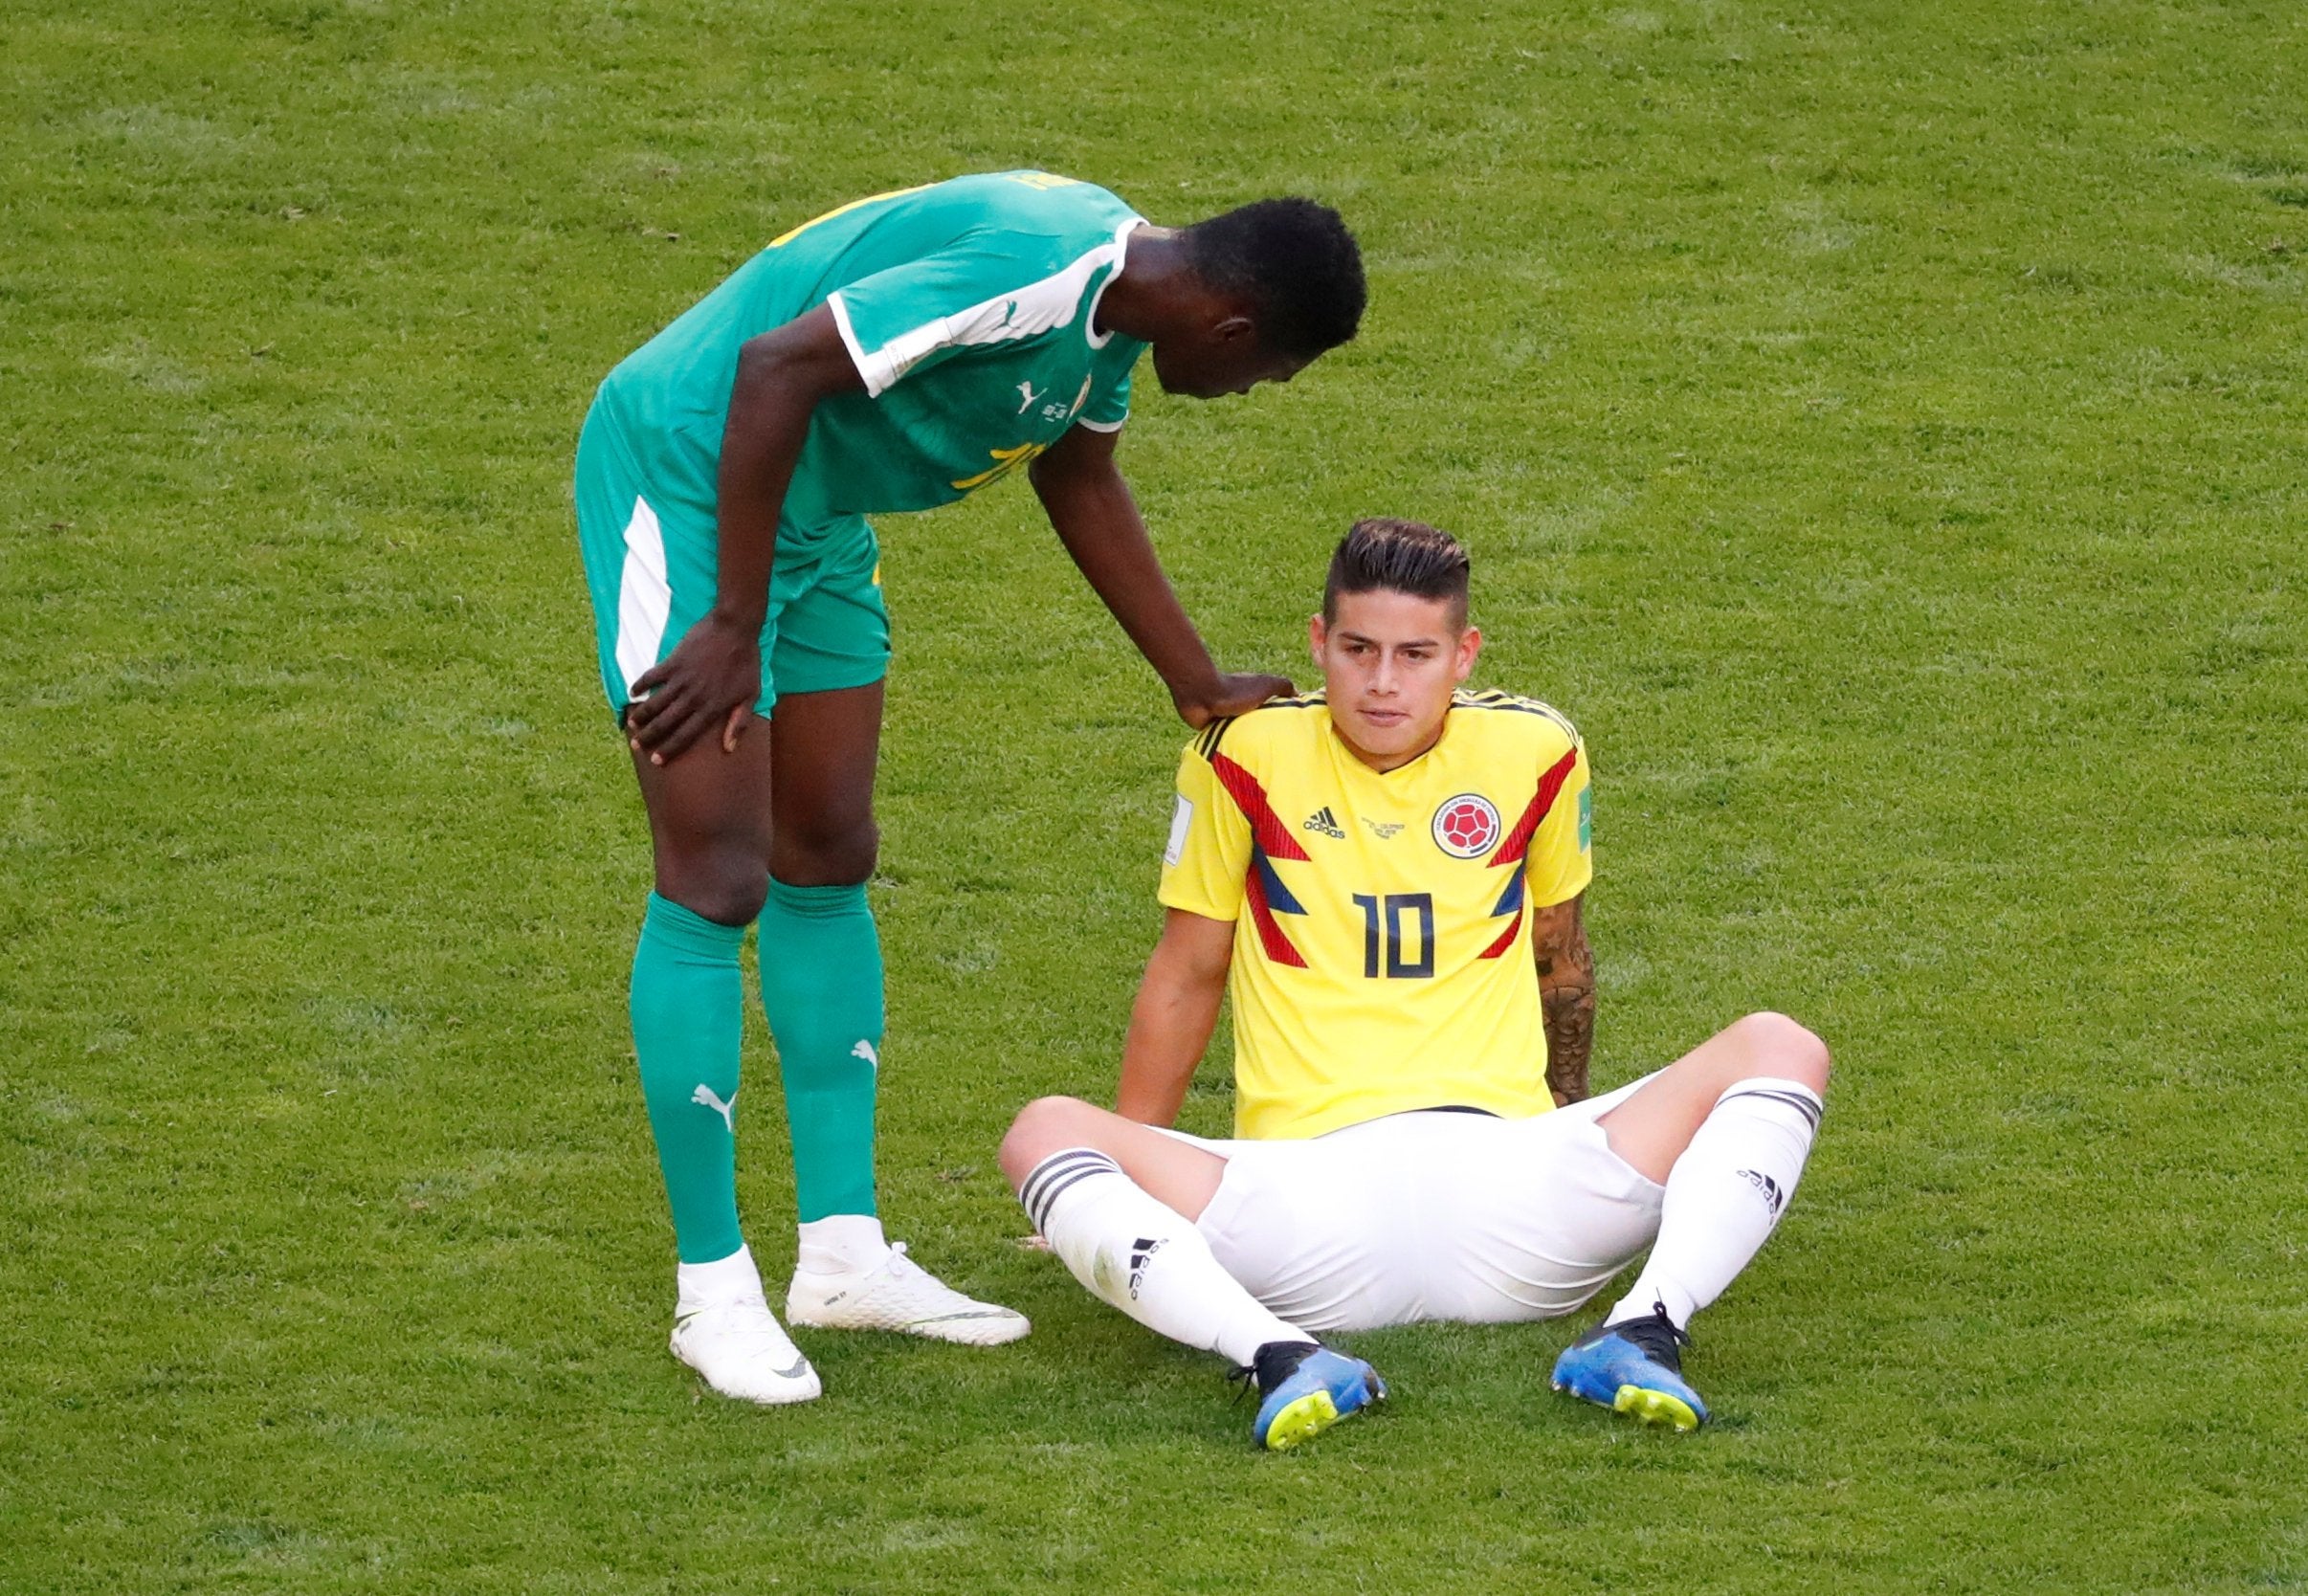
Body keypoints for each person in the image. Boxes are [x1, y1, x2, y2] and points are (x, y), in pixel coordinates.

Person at [575, 171, 1366, 1405]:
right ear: (1233, 329)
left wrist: (1194, 679)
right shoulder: (1039, 269)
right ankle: (710, 1291)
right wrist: (731, 619)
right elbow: (776, 370)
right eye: (1270, 375)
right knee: (717, 878)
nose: (1252, 395)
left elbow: (1079, 476)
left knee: (829, 852)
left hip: (813, 513)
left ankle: (840, 1256)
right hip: (692, 478)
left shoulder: (1120, 314)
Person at [999, 520, 1830, 1449]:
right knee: (1044, 1129)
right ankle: (1281, 1355)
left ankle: (1641, 1328)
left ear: (1463, 654)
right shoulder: (1244, 754)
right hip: (1308, 1209)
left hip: (1494, 1192)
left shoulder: (1537, 751)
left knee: (1782, 1042)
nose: (1384, 681)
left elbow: (1562, 959)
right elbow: (1187, 971)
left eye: (1415, 654)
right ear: (1319, 645)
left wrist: (1571, 1135)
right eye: (1358, 650)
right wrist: (1135, 1162)